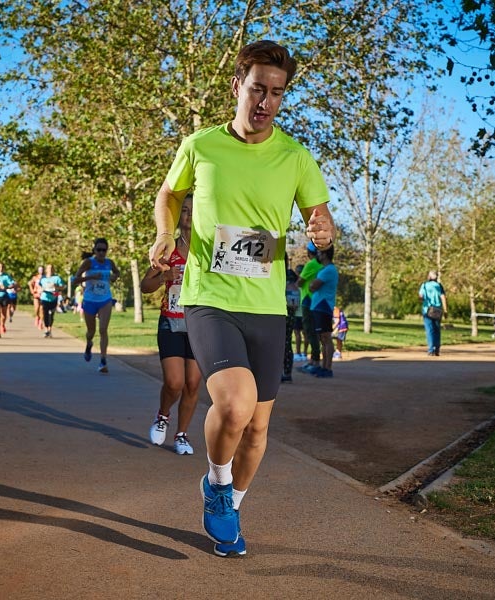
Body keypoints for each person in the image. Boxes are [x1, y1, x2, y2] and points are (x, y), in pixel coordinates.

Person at [148, 40, 335, 557]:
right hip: (209, 295)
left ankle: (230, 499)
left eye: (277, 93)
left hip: (267, 304)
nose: (266, 101)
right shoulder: (201, 145)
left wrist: (322, 228)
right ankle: (215, 485)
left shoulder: (296, 157)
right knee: (233, 405)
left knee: (257, 428)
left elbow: (321, 217)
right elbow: (170, 193)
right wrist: (165, 233)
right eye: (257, 88)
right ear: (238, 86)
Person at [141, 195, 201, 455]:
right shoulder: (168, 249)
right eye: (184, 210)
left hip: (199, 325)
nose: (187, 215)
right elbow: (145, 287)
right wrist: (165, 275)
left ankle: (182, 435)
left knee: (192, 383)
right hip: (171, 321)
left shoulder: (207, 252)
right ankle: (163, 415)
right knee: (175, 382)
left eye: (192, 210)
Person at [73, 238, 120, 373]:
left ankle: (103, 360)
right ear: (94, 250)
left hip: (105, 299)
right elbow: (75, 279)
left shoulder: (109, 263)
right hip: (89, 300)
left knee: (103, 329)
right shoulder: (88, 262)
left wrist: (114, 277)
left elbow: (117, 273)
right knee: (91, 332)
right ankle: (89, 344)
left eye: (104, 250)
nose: (101, 253)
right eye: (98, 250)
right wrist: (91, 277)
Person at [309, 246, 339, 377]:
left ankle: (328, 368)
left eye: (320, 252)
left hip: (323, 306)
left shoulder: (329, 270)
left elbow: (313, 286)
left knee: (326, 338)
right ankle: (323, 366)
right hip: (319, 306)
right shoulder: (326, 270)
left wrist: (312, 285)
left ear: (325, 254)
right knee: (322, 338)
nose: (318, 255)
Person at [297, 242, 324, 374]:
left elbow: (300, 282)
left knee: (309, 331)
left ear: (309, 252)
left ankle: (315, 361)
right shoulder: (322, 265)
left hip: (307, 300)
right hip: (318, 301)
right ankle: (315, 359)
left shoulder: (311, 264)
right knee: (316, 332)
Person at [419, 270, 448, 356]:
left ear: (429, 277)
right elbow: (443, 298)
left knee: (429, 330)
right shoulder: (439, 286)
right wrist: (445, 310)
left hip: (427, 310)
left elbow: (421, 296)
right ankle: (437, 349)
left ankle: (431, 349)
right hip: (438, 309)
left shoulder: (424, 285)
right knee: (437, 329)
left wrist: (423, 300)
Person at [282, 254, 300, 382]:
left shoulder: (288, 276)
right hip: (288, 311)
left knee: (285, 342)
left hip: (286, 311)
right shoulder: (291, 275)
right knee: (286, 342)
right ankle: (285, 372)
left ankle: (286, 372)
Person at [36, 264, 64, 338]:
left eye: (51, 268)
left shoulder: (57, 278)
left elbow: (62, 287)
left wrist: (57, 287)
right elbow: (39, 286)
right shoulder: (43, 278)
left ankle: (50, 329)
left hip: (53, 298)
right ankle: (46, 330)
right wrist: (40, 290)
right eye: (48, 268)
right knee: (45, 313)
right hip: (44, 297)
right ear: (46, 270)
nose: (50, 270)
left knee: (51, 314)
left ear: (54, 270)